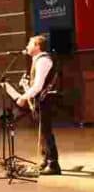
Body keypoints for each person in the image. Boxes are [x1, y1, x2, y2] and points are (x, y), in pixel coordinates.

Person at [13, 35, 60, 175]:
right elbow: (36, 85)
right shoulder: (38, 60)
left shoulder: (43, 60)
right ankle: (46, 160)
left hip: (46, 101)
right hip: (42, 101)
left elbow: (39, 86)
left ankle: (53, 164)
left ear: (37, 46)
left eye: (30, 43)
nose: (27, 46)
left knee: (46, 131)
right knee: (43, 132)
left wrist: (23, 97)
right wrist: (26, 85)